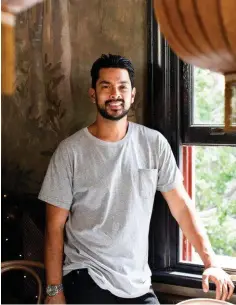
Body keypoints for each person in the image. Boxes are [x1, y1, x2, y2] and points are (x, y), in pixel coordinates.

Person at [39, 54, 235, 304]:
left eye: (122, 87)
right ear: (92, 94)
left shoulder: (154, 144)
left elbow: (182, 208)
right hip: (87, 275)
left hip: (138, 284)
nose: (115, 94)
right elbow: (54, 227)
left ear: (132, 95)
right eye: (105, 86)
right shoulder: (70, 152)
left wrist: (211, 263)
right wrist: (54, 291)